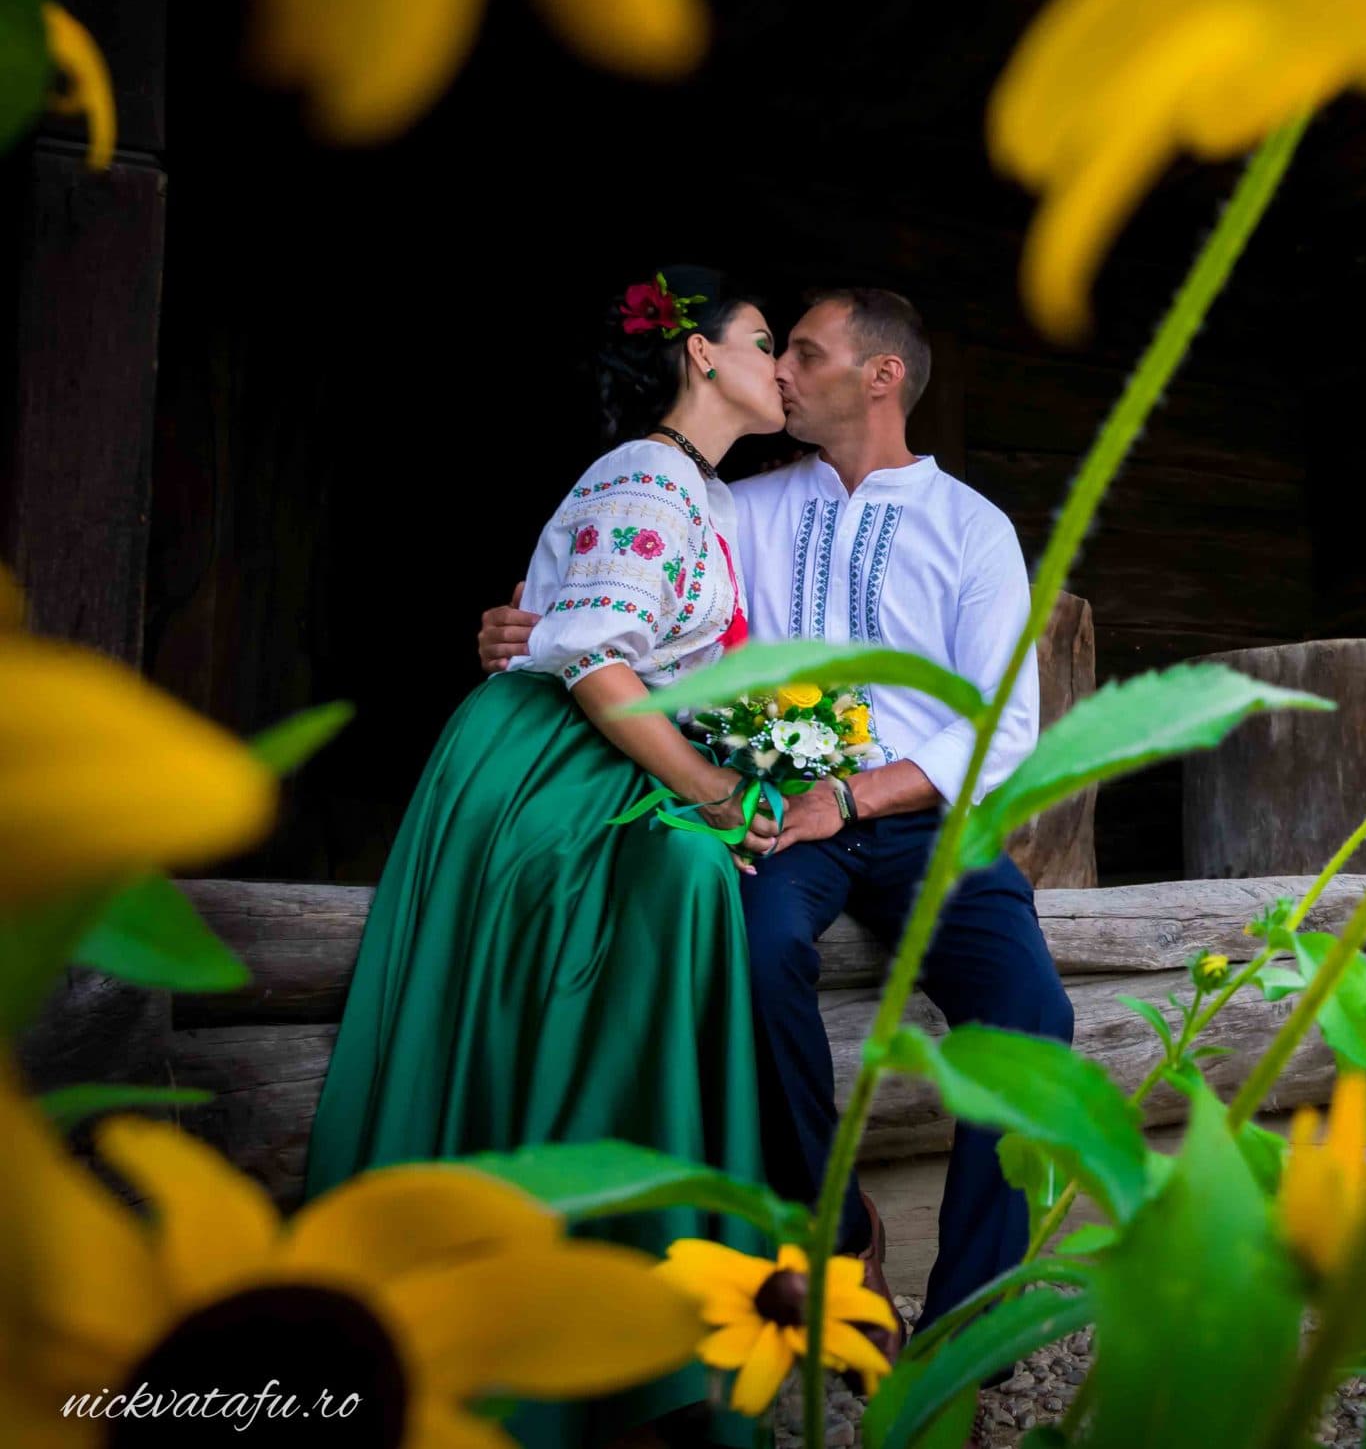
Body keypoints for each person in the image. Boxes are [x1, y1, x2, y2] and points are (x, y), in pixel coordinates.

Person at [478, 286, 1074, 1345]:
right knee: (751, 955)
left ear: (881, 376)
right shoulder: (742, 505)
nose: (784, 371)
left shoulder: (970, 527)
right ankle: (839, 1245)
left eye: (806, 352)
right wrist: (528, 622)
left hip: (918, 814)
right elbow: (628, 571)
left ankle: (972, 1317)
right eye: (780, 350)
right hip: (771, 812)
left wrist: (851, 794)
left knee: (1031, 1013)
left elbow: (1005, 723)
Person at [308, 267, 786, 1448]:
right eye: (765, 340)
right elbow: (588, 656)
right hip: (549, 765)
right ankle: (581, 1273)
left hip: (581, 754)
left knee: (680, 893)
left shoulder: (692, 490)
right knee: (678, 887)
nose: (779, 366)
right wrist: (718, 793)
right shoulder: (647, 474)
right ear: (702, 356)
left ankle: (630, 1280)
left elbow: (589, 629)